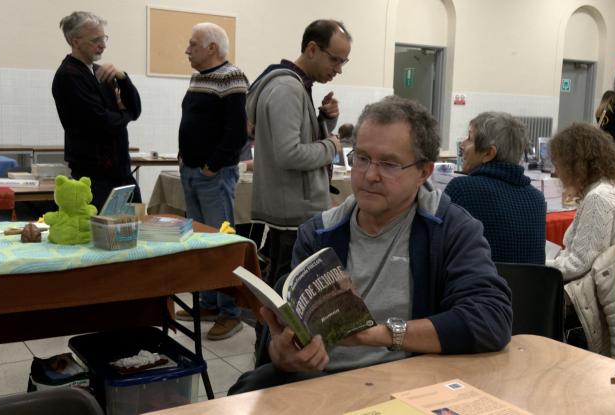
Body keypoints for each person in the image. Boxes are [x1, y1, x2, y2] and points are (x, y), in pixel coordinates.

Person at [229, 96, 512, 393]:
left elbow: (491, 318)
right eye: (361, 158)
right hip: (323, 387)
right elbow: (286, 351)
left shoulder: (450, 229)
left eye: (389, 164)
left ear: (424, 173)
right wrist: (284, 356)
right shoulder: (319, 233)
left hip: (410, 387)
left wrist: (382, 335)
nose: (369, 175)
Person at [246, 19, 348, 290]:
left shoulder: (297, 85)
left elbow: (298, 139)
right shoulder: (287, 88)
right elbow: (289, 154)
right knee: (285, 299)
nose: (338, 70)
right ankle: (269, 335)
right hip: (291, 217)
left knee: (286, 293)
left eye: (343, 63)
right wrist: (332, 146)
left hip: (293, 211)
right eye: (335, 60)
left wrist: (323, 119)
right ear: (312, 49)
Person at [175, 22, 250, 340]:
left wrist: (211, 165)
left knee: (221, 243)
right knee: (201, 243)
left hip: (213, 175)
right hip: (192, 171)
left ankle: (230, 313)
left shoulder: (232, 76)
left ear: (212, 49)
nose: (187, 49)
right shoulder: (199, 77)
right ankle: (207, 302)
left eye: (193, 44)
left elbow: (236, 131)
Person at [52, 11, 142, 210]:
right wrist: (124, 115)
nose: (103, 45)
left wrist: (122, 77)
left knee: (133, 227)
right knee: (104, 235)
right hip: (94, 176)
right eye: (96, 40)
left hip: (119, 170)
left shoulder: (100, 72)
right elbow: (101, 122)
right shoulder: (69, 75)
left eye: (104, 38)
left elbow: (135, 109)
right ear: (76, 41)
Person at [547, 123, 615, 355]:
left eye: (558, 163)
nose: (556, 172)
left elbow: (579, 263)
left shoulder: (598, 199)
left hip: (593, 301)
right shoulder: (609, 188)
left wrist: (541, 265)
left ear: (575, 163)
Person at [444, 112, 546, 264]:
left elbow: (436, 250)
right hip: (527, 287)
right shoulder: (537, 199)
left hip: (475, 286)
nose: (462, 145)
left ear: (489, 153)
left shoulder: (462, 189)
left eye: (470, 139)